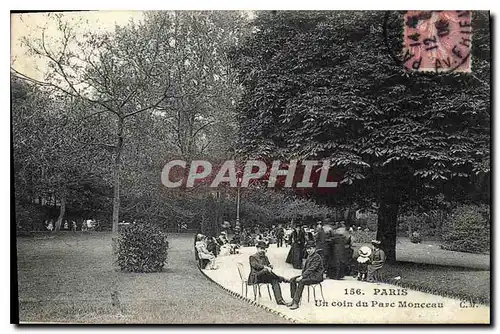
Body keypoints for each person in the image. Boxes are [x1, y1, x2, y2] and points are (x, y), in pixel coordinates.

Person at [248, 241, 289, 305]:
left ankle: (280, 300)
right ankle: (281, 278)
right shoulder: (252, 257)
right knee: (265, 270)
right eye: (261, 248)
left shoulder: (265, 257)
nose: (262, 250)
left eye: (264, 249)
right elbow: (256, 266)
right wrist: (266, 267)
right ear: (257, 248)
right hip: (256, 276)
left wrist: (270, 266)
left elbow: (268, 265)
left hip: (265, 276)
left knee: (274, 280)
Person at [287, 241, 324, 310]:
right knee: (292, 279)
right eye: (307, 249)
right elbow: (305, 269)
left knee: (301, 282)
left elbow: (311, 269)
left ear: (314, 249)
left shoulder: (317, 257)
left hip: (316, 277)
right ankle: (293, 299)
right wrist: (301, 275)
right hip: (309, 276)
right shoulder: (309, 256)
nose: (308, 250)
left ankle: (296, 303)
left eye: (310, 248)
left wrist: (302, 276)